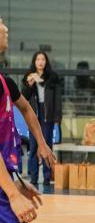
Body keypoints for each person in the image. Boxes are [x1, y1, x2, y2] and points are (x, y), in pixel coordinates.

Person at [0, 16, 57, 222]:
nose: (5, 28)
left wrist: (42, 143)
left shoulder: (5, 82)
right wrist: (14, 195)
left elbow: (26, 108)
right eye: (0, 23)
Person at [21, 51, 62, 186]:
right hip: (34, 114)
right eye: (38, 59)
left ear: (46, 62)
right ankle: (33, 178)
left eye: (43, 59)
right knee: (33, 147)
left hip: (47, 115)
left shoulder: (52, 78)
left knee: (47, 146)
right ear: (34, 62)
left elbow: (57, 100)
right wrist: (29, 84)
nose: (40, 62)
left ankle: (46, 177)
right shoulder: (29, 77)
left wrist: (57, 118)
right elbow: (24, 97)